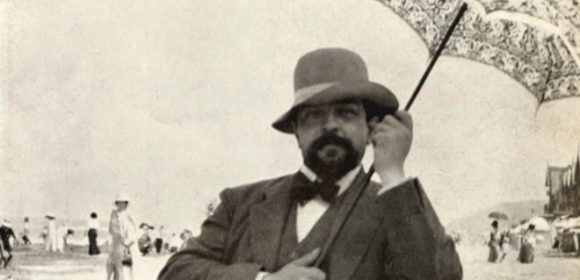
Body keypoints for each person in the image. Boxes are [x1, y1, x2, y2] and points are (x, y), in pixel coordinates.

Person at [158, 48, 462, 280]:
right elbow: (176, 271)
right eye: (314, 115)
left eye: (345, 113)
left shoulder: (398, 207)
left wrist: (393, 173)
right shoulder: (238, 203)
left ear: (371, 128)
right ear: (297, 134)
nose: (330, 125)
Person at [107, 192, 139, 280]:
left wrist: (129, 241)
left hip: (129, 247)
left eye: (123, 202)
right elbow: (110, 230)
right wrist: (110, 244)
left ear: (126, 203)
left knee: (129, 270)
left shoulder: (129, 214)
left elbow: (136, 230)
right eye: (119, 202)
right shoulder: (113, 214)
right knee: (117, 269)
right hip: (116, 245)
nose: (121, 204)